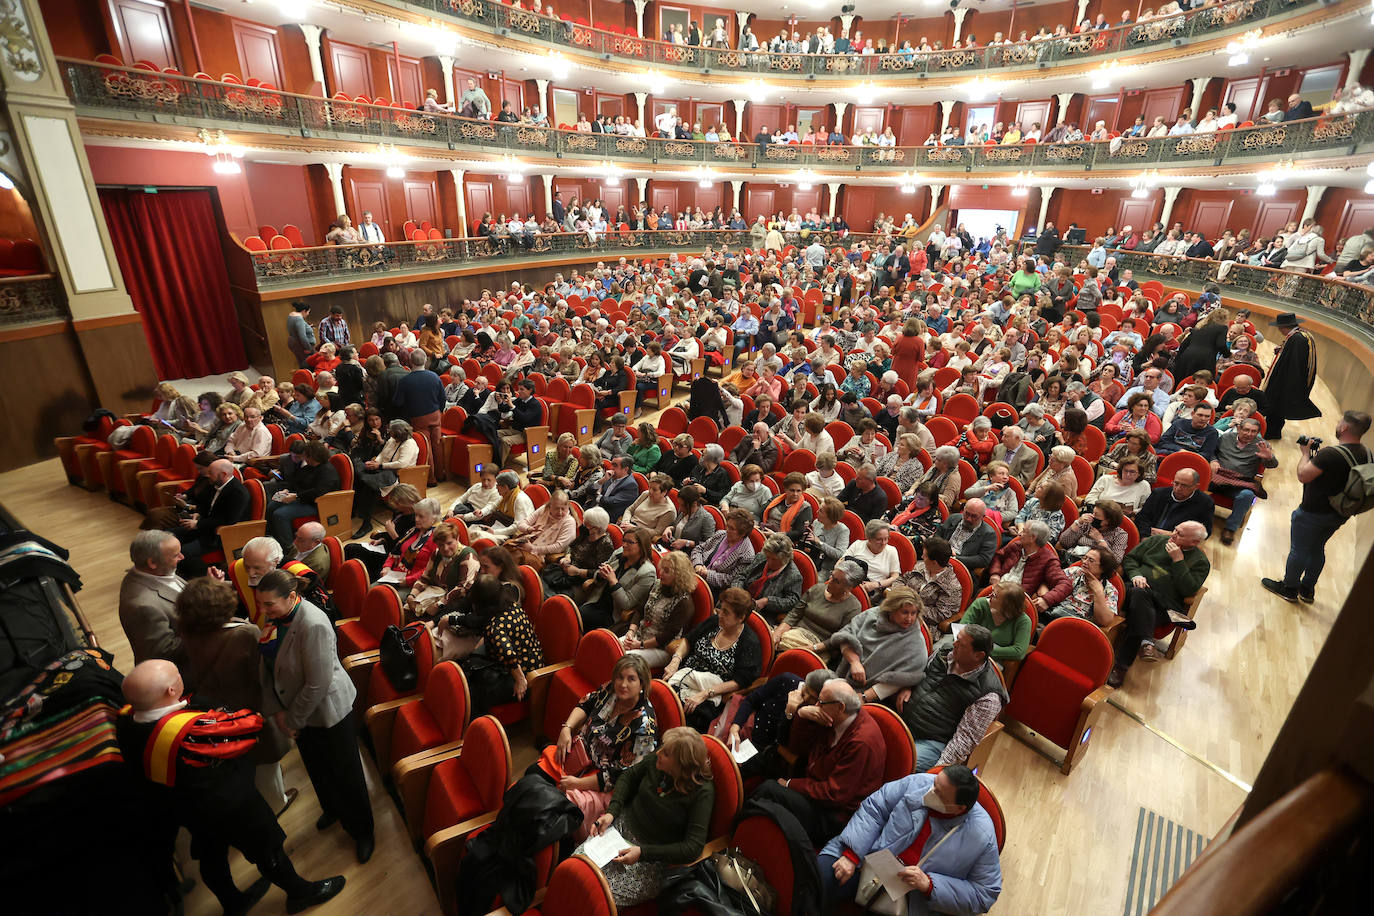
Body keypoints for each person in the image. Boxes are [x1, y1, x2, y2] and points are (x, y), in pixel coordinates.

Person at [116, 660, 345, 914]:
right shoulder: (190, 733)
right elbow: (247, 726)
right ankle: (298, 893)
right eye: (177, 674)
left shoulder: (126, 719)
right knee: (267, 847)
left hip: (185, 806)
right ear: (171, 691)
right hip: (229, 804)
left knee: (211, 855)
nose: (182, 675)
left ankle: (233, 903)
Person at [255, 569, 375, 863]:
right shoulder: (276, 616)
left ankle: (363, 831)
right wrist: (279, 711)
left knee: (346, 774)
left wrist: (291, 720)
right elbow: (266, 668)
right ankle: (332, 809)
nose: (263, 610)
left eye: (269, 604)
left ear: (292, 597)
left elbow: (318, 683)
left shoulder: (313, 624)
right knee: (317, 766)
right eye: (261, 603)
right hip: (296, 710)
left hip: (327, 711)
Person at [175, 577, 297, 814]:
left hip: (218, 710)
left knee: (242, 759)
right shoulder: (245, 633)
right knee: (266, 764)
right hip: (251, 709)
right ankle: (277, 803)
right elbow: (262, 677)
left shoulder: (188, 631)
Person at [818, 764, 1003, 914]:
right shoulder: (919, 782)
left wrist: (930, 885)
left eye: (939, 793)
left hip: (908, 898)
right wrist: (852, 853)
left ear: (959, 809)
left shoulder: (982, 836)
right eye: (934, 784)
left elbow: (984, 893)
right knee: (813, 882)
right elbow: (875, 809)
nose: (929, 792)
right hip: (866, 857)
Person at [575, 727, 714, 907]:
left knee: (594, 898)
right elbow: (628, 777)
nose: (659, 752)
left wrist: (643, 853)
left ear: (681, 765)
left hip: (649, 860)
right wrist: (612, 812)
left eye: (666, 753)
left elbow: (692, 848)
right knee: (577, 869)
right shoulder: (659, 760)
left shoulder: (702, 792)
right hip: (620, 831)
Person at [749, 678, 885, 847]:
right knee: (761, 762)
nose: (817, 706)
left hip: (834, 815)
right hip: (815, 782)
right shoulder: (833, 717)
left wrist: (790, 784)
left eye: (821, 702)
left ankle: (739, 837)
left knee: (769, 790)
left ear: (840, 707)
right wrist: (802, 715)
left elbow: (834, 795)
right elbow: (796, 748)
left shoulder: (861, 742)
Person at [1262, 410, 1372, 602]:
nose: (1337, 424)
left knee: (1299, 550)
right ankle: (1307, 589)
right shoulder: (1367, 453)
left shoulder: (1330, 454)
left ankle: (1289, 588)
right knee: (1317, 548)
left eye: (1340, 422)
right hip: (1340, 512)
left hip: (1312, 512)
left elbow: (1303, 475)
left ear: (1344, 427)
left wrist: (1305, 454)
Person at [549, 655, 659, 840]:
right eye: (620, 677)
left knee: (556, 807)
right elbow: (585, 704)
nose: (623, 684)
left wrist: (578, 784)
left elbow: (626, 775)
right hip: (579, 754)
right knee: (538, 772)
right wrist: (566, 729)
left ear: (642, 684)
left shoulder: (645, 727)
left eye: (631, 679)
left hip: (604, 783)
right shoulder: (611, 690)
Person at [1109, 521, 1211, 687]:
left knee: (1140, 610)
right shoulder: (1156, 541)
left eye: (1180, 534)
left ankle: (1123, 664)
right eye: (1175, 529)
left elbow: (1188, 590)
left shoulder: (1201, 563)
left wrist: (1178, 561)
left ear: (1194, 542)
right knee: (1140, 593)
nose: (1173, 534)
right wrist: (1135, 575)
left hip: (1163, 604)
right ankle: (1143, 646)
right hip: (1133, 589)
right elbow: (1130, 560)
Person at [664, 587, 764, 730]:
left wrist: (706, 693)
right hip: (685, 675)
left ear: (740, 618)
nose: (720, 614)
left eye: (726, 612)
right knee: (661, 697)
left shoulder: (749, 642)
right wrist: (675, 660)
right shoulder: (714, 622)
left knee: (687, 713)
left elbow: (740, 681)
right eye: (721, 609)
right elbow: (688, 640)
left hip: (712, 692)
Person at [820, 586, 928, 704]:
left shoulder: (915, 642)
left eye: (914, 613)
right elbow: (846, 635)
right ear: (892, 608)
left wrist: (863, 697)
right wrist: (854, 662)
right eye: (905, 612)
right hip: (841, 673)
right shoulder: (874, 614)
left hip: (868, 696)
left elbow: (900, 679)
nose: (909, 618)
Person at [119, 530, 189, 670]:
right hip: (186, 673)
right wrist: (211, 632)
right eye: (176, 555)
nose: (182, 557)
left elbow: (178, 591)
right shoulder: (142, 606)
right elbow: (165, 652)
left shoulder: (153, 572)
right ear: (152, 562)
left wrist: (209, 586)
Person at [620, 550, 697, 666]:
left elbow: (667, 635)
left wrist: (640, 645)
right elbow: (640, 610)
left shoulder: (684, 603)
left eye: (666, 571)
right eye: (661, 568)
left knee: (625, 659)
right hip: (639, 635)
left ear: (679, 575)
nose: (660, 573)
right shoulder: (657, 584)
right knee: (611, 646)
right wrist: (630, 632)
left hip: (661, 648)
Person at [1210, 418, 1279, 545]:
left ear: (1258, 433)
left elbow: (1273, 465)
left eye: (1253, 431)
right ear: (1239, 429)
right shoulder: (1225, 438)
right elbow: (1211, 452)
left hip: (1240, 481)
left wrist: (1269, 458)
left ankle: (1230, 528)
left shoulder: (1261, 445)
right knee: (1197, 479)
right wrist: (1213, 460)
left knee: (1247, 495)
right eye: (1246, 430)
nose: (1249, 434)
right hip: (1218, 476)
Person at [775, 560, 864, 655]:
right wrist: (778, 633)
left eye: (836, 581)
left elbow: (839, 638)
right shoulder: (817, 589)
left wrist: (811, 648)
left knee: (787, 656)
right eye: (831, 575)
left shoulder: (853, 607)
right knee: (766, 642)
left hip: (818, 647)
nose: (829, 581)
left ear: (848, 588)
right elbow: (794, 614)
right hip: (794, 633)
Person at [263, 441, 339, 548]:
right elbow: (296, 481)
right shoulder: (309, 467)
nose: (304, 459)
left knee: (280, 514)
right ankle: (272, 538)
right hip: (301, 497)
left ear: (313, 457)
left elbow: (318, 492)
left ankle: (289, 547)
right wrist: (286, 490)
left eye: (306, 456)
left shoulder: (327, 471)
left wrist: (295, 496)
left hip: (316, 504)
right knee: (271, 505)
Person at [988, 520, 1069, 612]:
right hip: (994, 589)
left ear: (1032, 538)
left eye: (1024, 531)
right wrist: (995, 573)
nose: (1019, 534)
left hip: (1014, 602)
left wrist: (1046, 600)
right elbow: (998, 556)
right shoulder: (1016, 546)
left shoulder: (1049, 560)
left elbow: (1065, 584)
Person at [1261, 313, 1319, 440]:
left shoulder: (1298, 339)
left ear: (1283, 327)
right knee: (1276, 405)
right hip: (1287, 378)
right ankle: (1272, 431)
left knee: (1276, 405)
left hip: (1286, 380)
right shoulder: (1300, 335)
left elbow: (1295, 363)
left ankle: (1272, 433)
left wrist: (1287, 385)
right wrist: (1282, 350)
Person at [733, 533, 806, 624]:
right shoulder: (762, 556)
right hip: (741, 601)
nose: (769, 562)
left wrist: (767, 601)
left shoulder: (793, 576)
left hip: (763, 614)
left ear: (785, 559)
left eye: (774, 559)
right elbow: (742, 575)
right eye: (768, 557)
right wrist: (737, 590)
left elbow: (792, 601)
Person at [898, 536, 963, 635]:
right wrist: (897, 595)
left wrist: (910, 607)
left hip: (921, 626)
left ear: (934, 562)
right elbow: (902, 579)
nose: (922, 557)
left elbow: (941, 614)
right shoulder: (921, 566)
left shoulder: (952, 587)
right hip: (898, 610)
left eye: (925, 556)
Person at [1044, 546, 1121, 627]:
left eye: (1090, 560)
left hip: (1077, 626)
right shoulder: (1074, 572)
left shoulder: (1110, 590)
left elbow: (1104, 621)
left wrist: (1098, 593)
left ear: (1103, 568)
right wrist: (1046, 598)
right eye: (1084, 558)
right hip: (1054, 614)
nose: (1084, 562)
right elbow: (1047, 581)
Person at [957, 581, 1031, 662]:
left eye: (995, 595)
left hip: (991, 660)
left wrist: (981, 651)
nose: (989, 596)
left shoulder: (1023, 621)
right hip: (964, 647)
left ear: (1007, 605)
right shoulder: (981, 603)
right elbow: (961, 628)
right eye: (992, 592)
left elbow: (1019, 652)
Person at [1134, 469, 1216, 537]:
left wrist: (1174, 534)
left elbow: (1205, 532)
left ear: (1195, 487)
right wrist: (1145, 536)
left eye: (1184, 486)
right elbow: (1143, 517)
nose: (1178, 488)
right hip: (1149, 536)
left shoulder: (1205, 503)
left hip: (1178, 542)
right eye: (1176, 483)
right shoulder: (1159, 493)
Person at [932, 499, 998, 570]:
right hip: (938, 558)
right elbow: (938, 535)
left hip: (960, 567)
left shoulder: (989, 534)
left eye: (974, 516)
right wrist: (942, 549)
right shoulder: (953, 518)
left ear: (982, 517)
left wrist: (953, 558)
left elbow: (984, 559)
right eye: (967, 513)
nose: (969, 519)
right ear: (963, 510)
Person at [1155, 404, 1220, 460]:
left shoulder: (1212, 433)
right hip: (1168, 455)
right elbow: (1163, 442)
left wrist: (1187, 454)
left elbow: (1206, 454)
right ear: (1192, 414)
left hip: (1191, 461)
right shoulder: (1179, 423)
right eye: (1200, 415)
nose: (1203, 419)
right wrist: (1179, 450)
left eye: (1207, 416)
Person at [286, 301, 316, 368]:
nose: (308, 314)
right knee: (308, 363)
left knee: (301, 361)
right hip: (301, 345)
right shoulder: (299, 319)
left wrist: (308, 327)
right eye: (308, 312)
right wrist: (308, 348)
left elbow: (296, 329)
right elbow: (302, 336)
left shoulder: (291, 316)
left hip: (293, 342)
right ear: (304, 311)